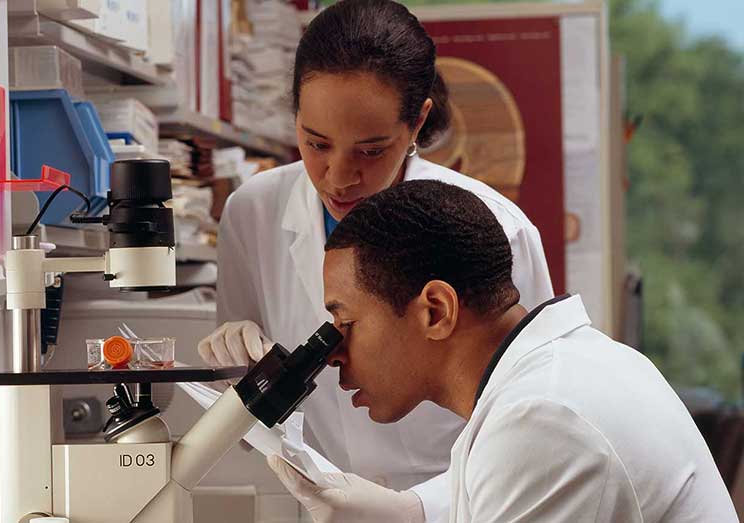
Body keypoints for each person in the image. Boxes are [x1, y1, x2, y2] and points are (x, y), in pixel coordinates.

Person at [198, 0, 553, 520]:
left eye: (370, 151)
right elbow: (246, 427)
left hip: (463, 506)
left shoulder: (494, 227)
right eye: (316, 143)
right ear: (294, 115)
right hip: (317, 505)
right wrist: (243, 383)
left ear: (417, 123)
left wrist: (412, 509)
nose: (337, 177)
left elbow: (532, 424)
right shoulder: (253, 213)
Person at [266, 179, 738, 523]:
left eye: (346, 322)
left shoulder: (543, 419)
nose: (332, 354)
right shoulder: (571, 370)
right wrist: (411, 511)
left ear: (435, 310)